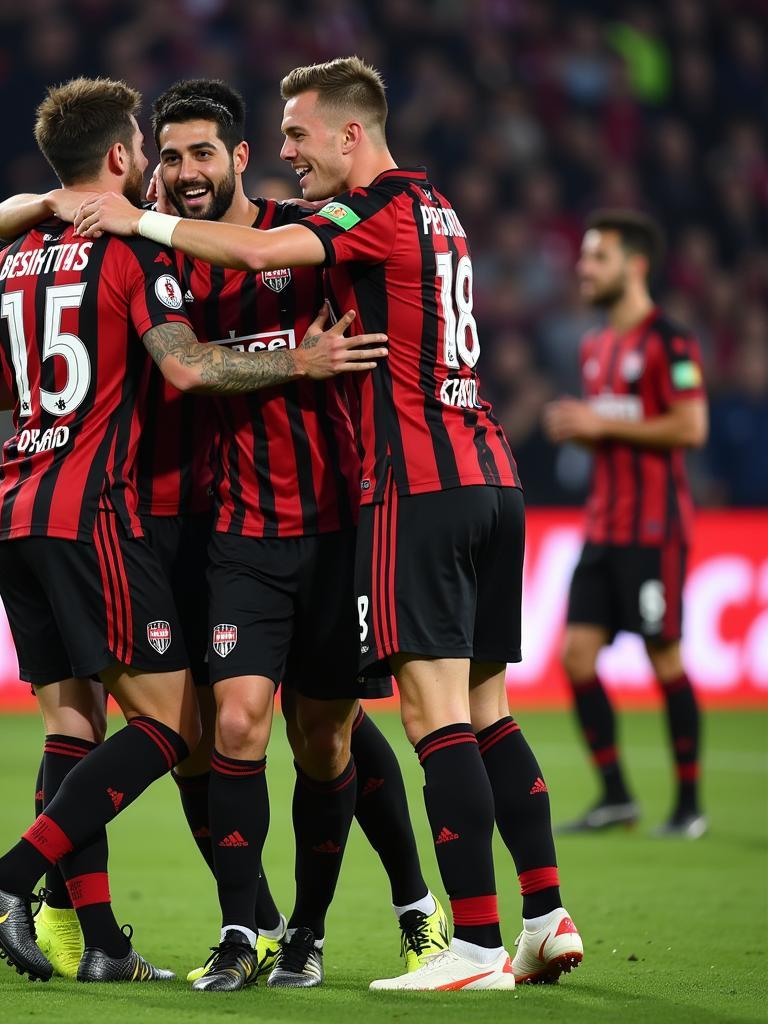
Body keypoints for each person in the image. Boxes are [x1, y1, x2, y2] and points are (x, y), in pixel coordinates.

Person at [78, 56, 583, 992]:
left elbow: (271, 255)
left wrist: (136, 214)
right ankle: (541, 913)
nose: (287, 151)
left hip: (401, 492)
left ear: (348, 134)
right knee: (478, 712)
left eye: (297, 135)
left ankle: (463, 940)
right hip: (462, 474)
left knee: (416, 725)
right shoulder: (436, 208)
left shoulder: (346, 219)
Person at [0, 78, 443, 993]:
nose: (184, 175)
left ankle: (410, 905)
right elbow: (18, 225)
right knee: (207, 734)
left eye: (204, 155)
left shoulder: (296, 237)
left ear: (241, 158)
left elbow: (353, 332)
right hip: (183, 523)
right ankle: (250, 926)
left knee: (330, 733)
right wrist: (48, 200)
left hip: (319, 517)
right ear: (143, 161)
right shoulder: (140, 239)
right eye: (169, 156)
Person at [544, 209, 708, 838]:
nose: (584, 269)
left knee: (664, 657)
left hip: (654, 529)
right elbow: (615, 429)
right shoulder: (595, 346)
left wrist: (601, 425)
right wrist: (582, 431)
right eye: (585, 258)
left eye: (598, 258)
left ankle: (689, 802)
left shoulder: (670, 341)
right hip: (602, 528)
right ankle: (616, 795)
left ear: (634, 266)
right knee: (576, 657)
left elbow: (691, 428)